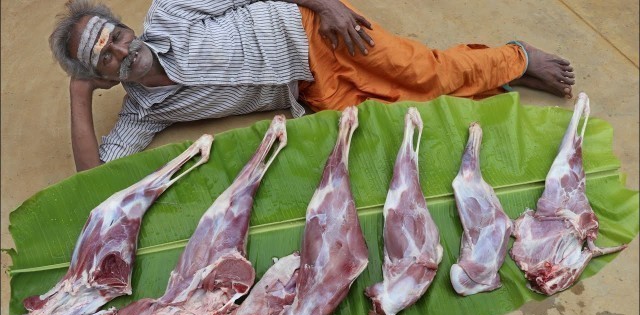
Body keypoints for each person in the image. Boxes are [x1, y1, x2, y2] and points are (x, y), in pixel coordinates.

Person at [50, 0, 575, 171]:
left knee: (428, 74)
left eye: (115, 36)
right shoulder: (143, 112)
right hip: (305, 94)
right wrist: (77, 97)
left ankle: (519, 55)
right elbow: (96, 181)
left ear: (123, 26)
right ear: (99, 76)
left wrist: (324, 4)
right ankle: (508, 69)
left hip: (317, 34)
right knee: (406, 109)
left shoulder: (168, 14)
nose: (122, 51)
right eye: (105, 58)